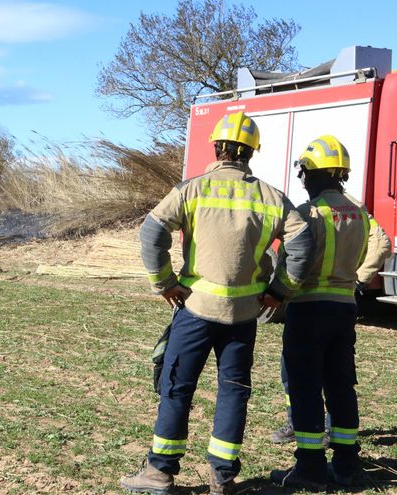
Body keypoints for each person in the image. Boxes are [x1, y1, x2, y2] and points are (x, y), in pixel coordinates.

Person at [120, 111, 315, 495]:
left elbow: (152, 233)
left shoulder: (191, 190)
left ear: (217, 148)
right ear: (251, 153)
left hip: (194, 309)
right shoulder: (271, 197)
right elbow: (302, 245)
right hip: (244, 315)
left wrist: (165, 283)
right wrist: (280, 291)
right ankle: (222, 478)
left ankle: (160, 472)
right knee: (233, 390)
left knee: (176, 385)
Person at [270, 135, 391, 491]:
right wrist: (359, 279)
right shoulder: (359, 212)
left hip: (308, 310)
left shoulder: (308, 214)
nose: (303, 181)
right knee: (341, 387)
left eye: (304, 175)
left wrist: (278, 291)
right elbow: (382, 243)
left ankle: (309, 468)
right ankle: (347, 464)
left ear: (311, 175)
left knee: (305, 387)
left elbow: (293, 259)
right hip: (344, 309)